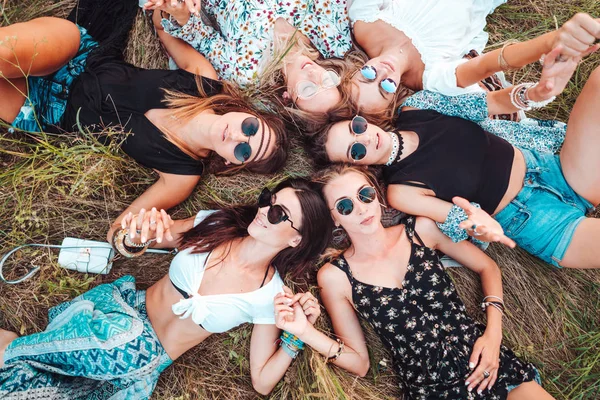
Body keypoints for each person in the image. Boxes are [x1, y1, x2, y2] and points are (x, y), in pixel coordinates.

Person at [0, 178, 332, 398]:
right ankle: (17, 352)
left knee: (28, 391)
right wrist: (135, 235)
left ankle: (15, 353)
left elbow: (261, 382)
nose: (263, 211)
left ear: (296, 238)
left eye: (278, 213)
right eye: (267, 200)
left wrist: (295, 337)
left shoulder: (269, 297)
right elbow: (140, 240)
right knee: (124, 337)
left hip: (142, 363)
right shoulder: (215, 222)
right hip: (120, 314)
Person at [0, 0, 289, 244]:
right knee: (4, 52)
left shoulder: (182, 174)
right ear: (246, 112)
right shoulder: (204, 80)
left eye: (244, 152)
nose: (238, 138)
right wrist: (170, 9)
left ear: (229, 163)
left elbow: (118, 232)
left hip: (47, 110)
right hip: (79, 54)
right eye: (250, 128)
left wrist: (146, 232)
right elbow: (162, 25)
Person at [306, 43, 600, 269]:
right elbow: (459, 220)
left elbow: (487, 104)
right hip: (533, 220)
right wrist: (480, 227)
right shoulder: (401, 191)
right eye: (356, 150)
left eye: (356, 128)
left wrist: (535, 92)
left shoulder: (417, 108)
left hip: (552, 167)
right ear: (358, 165)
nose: (365, 138)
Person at [274, 165, 551, 399]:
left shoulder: (421, 230)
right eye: (345, 206)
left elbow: (487, 267)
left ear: (376, 195)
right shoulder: (335, 277)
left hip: (486, 360)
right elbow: (359, 363)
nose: (361, 208)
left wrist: (493, 334)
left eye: (365, 194)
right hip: (433, 390)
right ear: (334, 218)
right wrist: (304, 331)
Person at [344, 3, 600, 121]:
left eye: (366, 74)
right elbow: (491, 64)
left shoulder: (362, 22)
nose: (381, 74)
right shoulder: (430, 78)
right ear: (393, 98)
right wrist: (552, 41)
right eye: (384, 87)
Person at [142, 0, 353, 114]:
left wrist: (180, 12)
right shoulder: (333, 41)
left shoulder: (247, 73)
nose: (314, 74)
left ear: (288, 98)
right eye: (327, 81)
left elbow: (202, 37)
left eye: (308, 89)